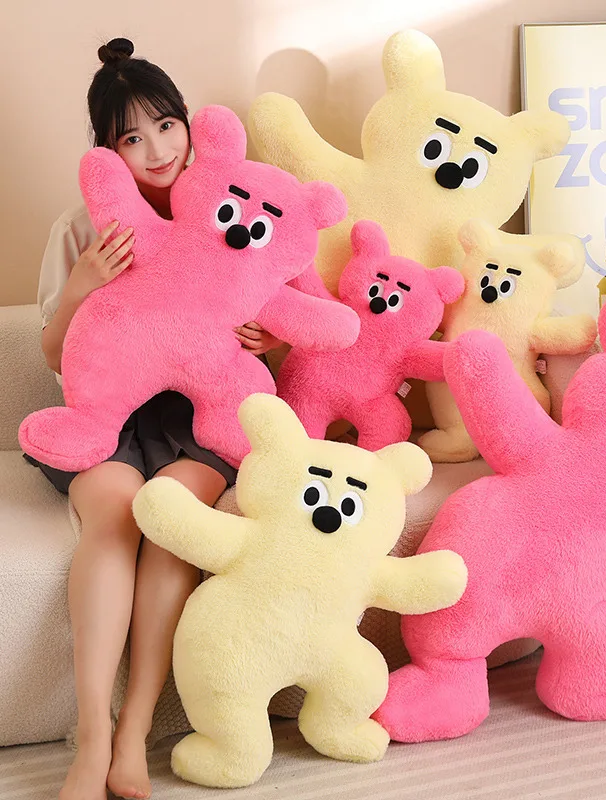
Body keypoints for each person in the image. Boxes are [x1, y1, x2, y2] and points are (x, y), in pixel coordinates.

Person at [30, 37, 271, 800]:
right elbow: (54, 356)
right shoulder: (83, 227)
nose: (158, 150)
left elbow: (279, 302)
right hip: (107, 412)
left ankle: (135, 731)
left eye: (167, 126)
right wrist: (83, 284)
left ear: (189, 124)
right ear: (106, 151)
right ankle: (92, 738)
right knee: (114, 513)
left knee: (170, 517)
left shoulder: (231, 207)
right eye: (132, 138)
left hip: (199, 417)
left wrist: (268, 338)